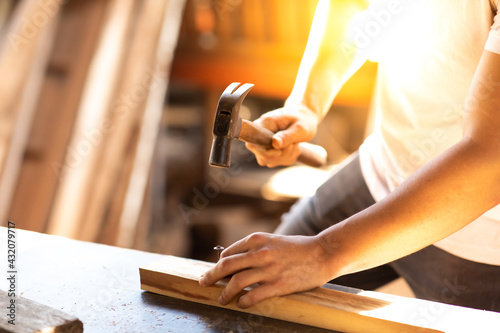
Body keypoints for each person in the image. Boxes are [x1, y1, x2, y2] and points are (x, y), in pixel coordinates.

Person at [200, 0, 500, 312]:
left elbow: (490, 160)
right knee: (246, 303)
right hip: (378, 171)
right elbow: (352, 5)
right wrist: (306, 103)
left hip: (483, 240)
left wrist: (322, 254)